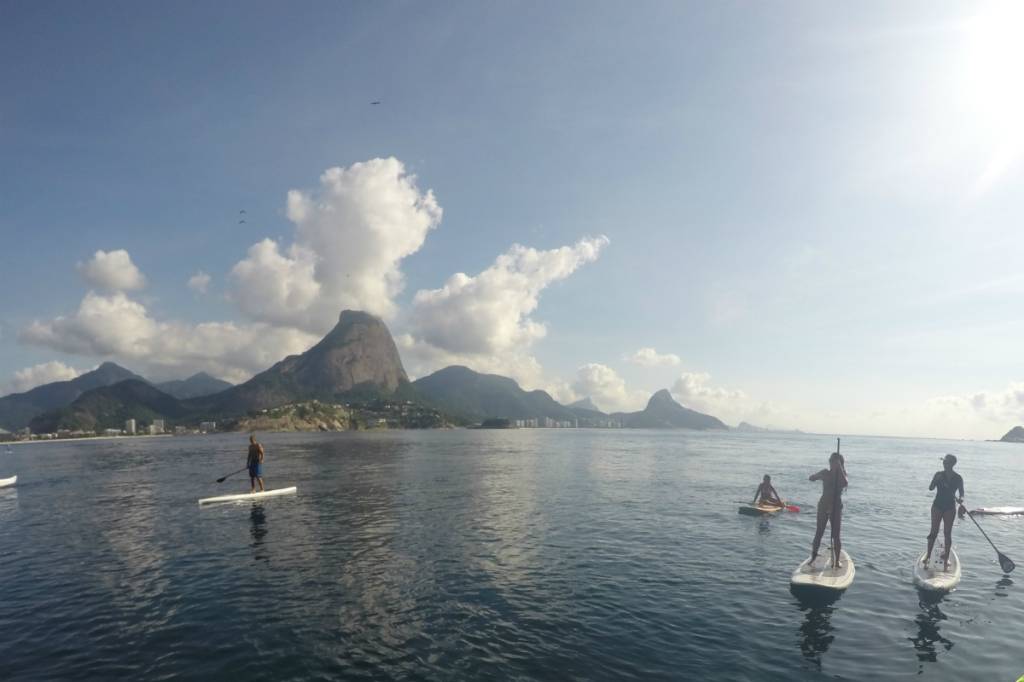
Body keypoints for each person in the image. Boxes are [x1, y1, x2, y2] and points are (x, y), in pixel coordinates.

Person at [923, 454, 965, 571]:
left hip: (950, 507)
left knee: (947, 533)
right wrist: (935, 480)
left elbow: (962, 492)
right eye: (944, 462)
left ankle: (946, 558)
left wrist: (961, 499)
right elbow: (931, 488)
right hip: (937, 506)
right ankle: (928, 555)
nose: (944, 463)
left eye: (946, 462)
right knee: (933, 531)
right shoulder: (938, 475)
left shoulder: (958, 478)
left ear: (951, 464)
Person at [809, 451, 848, 568]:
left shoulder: (842, 475)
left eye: (834, 462)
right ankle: (813, 557)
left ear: (840, 464)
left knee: (836, 535)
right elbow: (812, 478)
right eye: (830, 461)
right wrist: (815, 477)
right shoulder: (825, 472)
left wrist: (839, 468)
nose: (831, 463)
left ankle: (836, 561)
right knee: (819, 532)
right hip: (824, 505)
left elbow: (845, 483)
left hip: (836, 507)